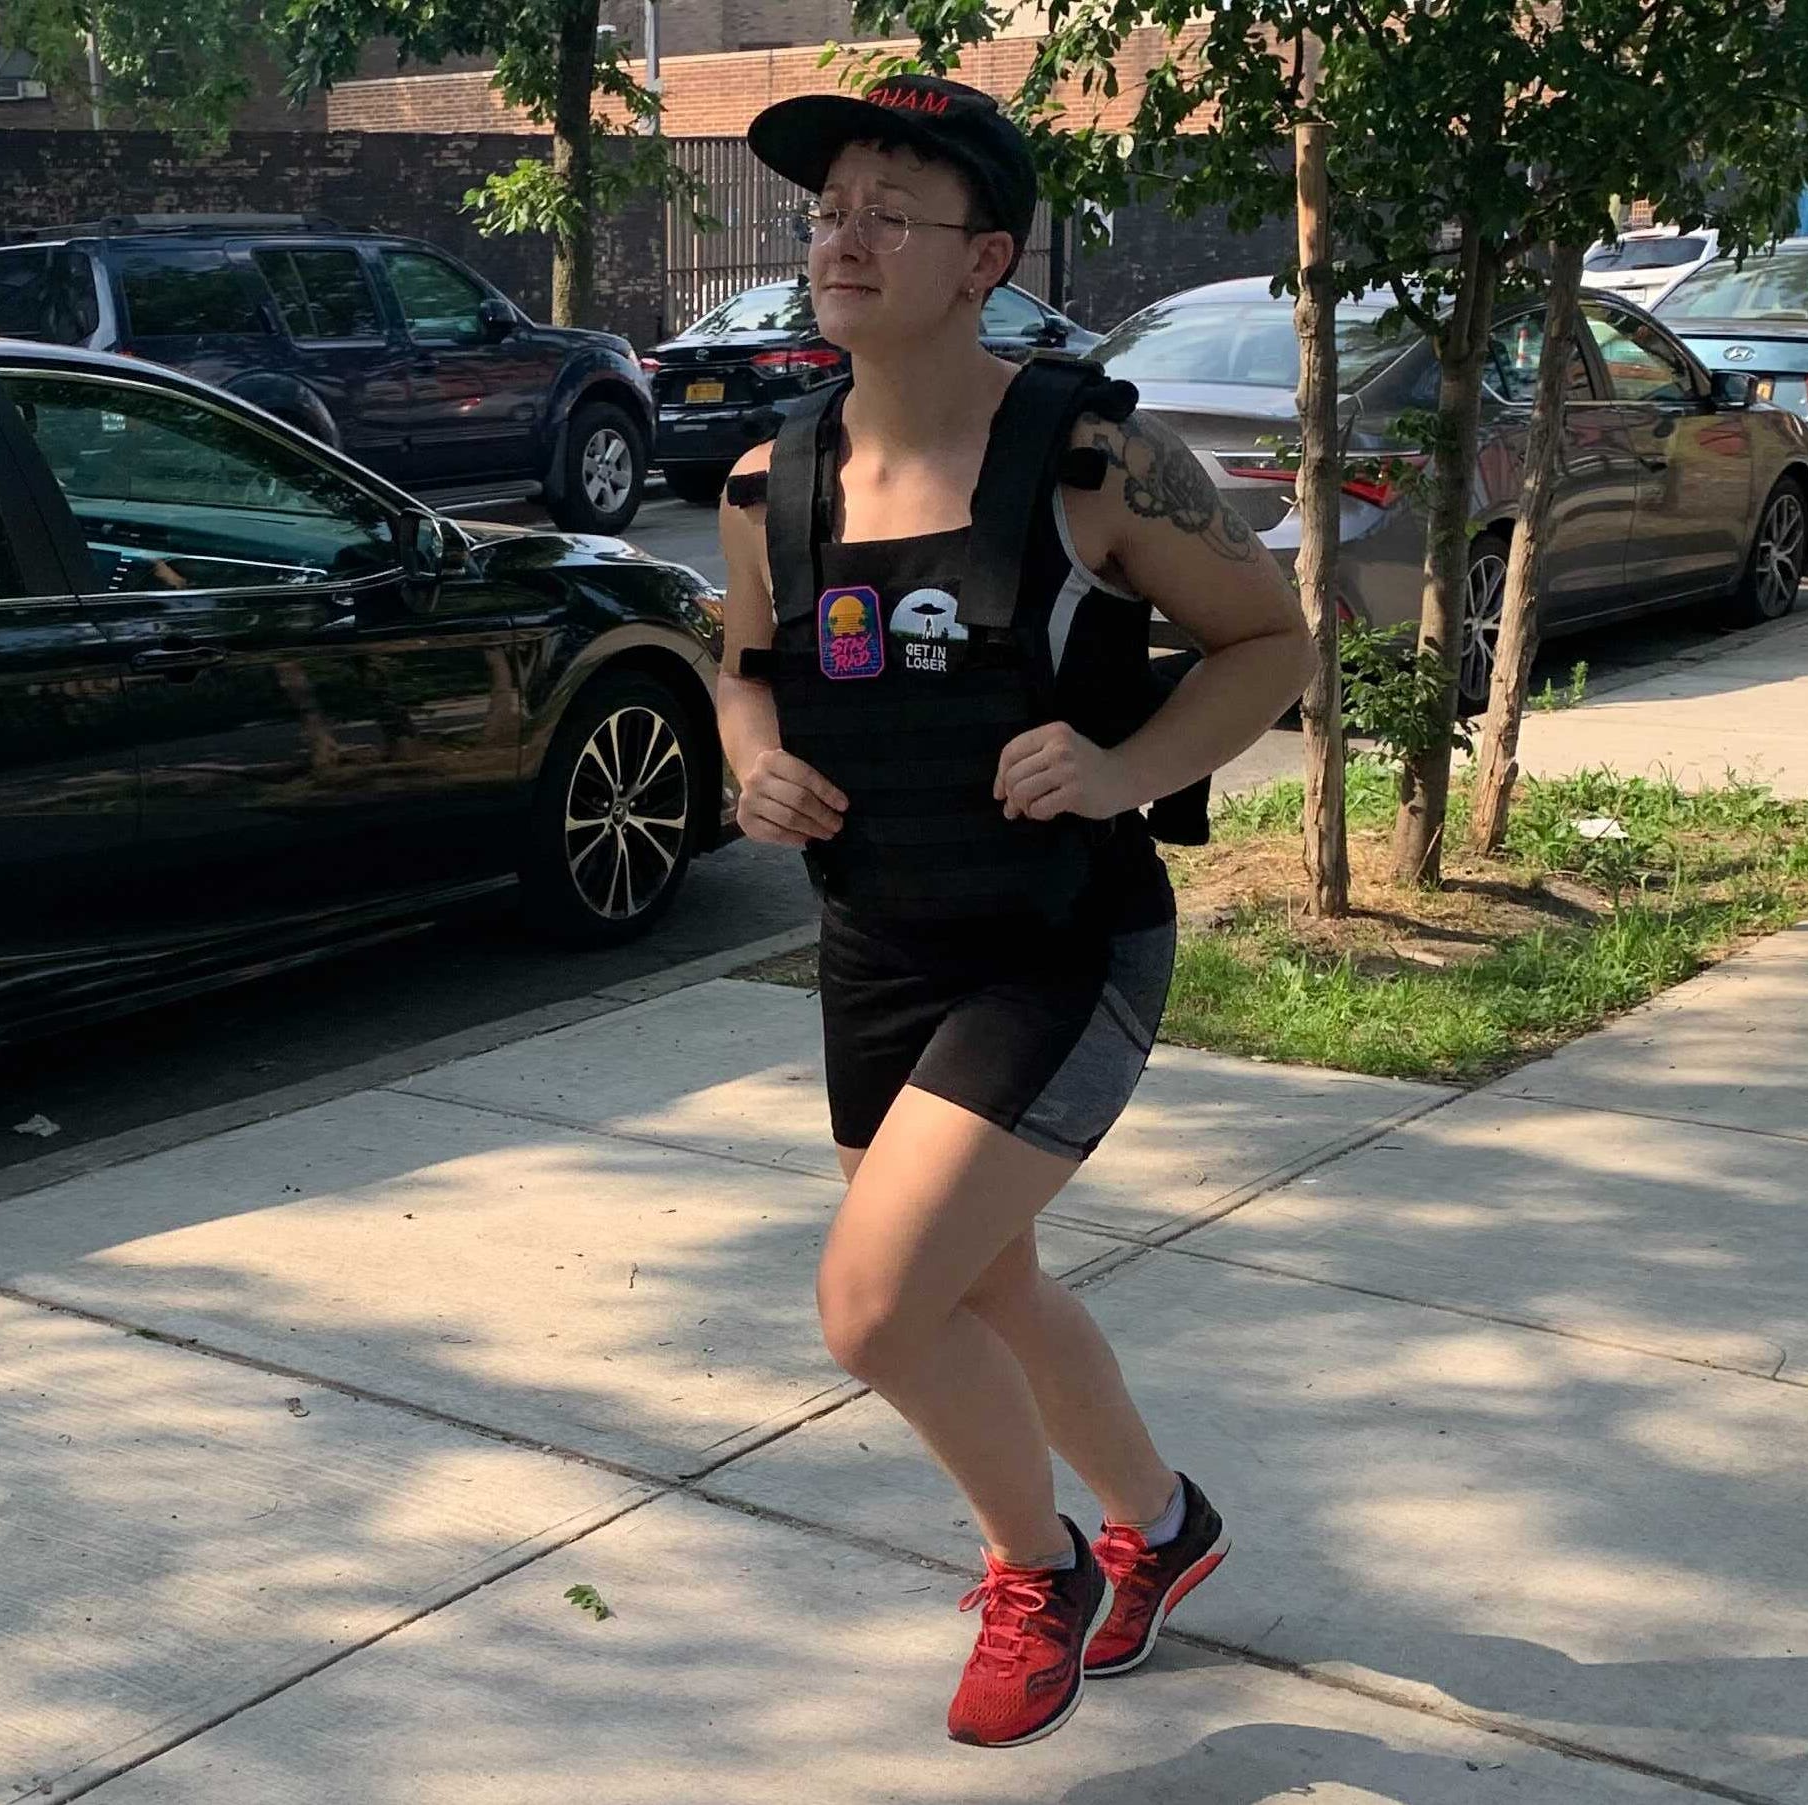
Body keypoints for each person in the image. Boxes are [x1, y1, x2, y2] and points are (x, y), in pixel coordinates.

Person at [717, 74, 1313, 1749]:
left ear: (981, 259)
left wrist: (1124, 768)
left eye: (887, 211)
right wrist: (752, 761)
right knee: (982, 1288)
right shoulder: (770, 479)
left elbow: (1273, 646)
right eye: (828, 208)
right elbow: (745, 671)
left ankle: (1030, 1568)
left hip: (1061, 939)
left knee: (874, 1305)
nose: (843, 235)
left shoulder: (1097, 461)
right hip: (876, 944)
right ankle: (1164, 1524)